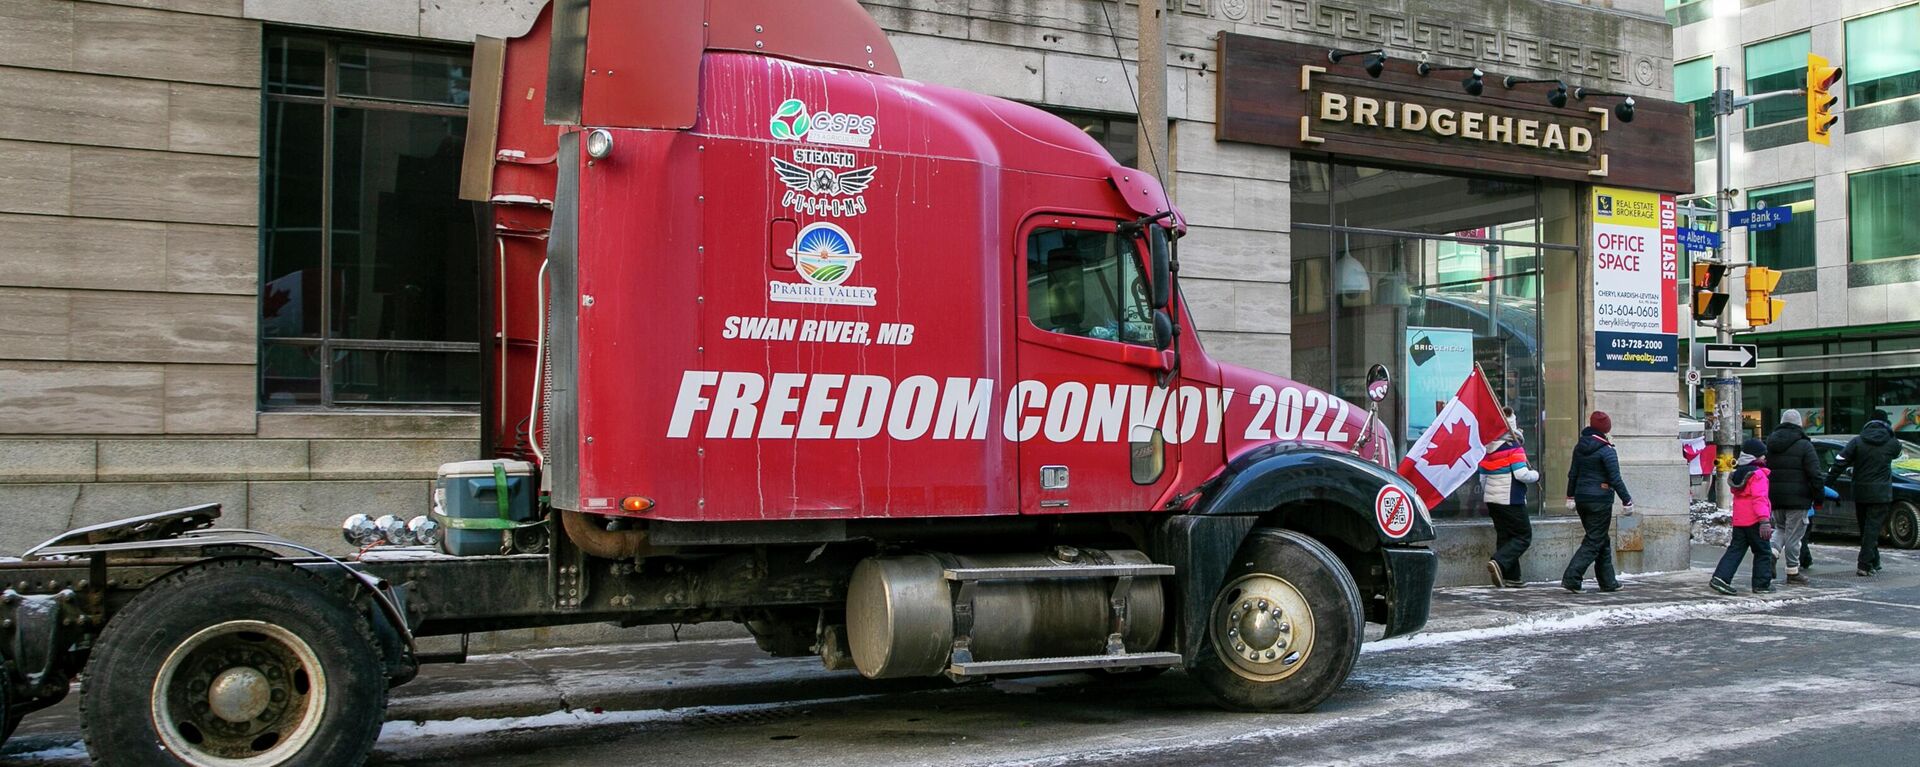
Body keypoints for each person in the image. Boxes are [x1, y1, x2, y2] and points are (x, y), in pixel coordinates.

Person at [1824, 411, 1904, 577]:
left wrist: (1826, 485)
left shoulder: (1857, 442)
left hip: (1860, 492)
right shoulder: (1892, 443)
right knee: (1872, 529)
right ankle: (1865, 564)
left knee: (1866, 528)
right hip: (1881, 493)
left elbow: (1839, 463)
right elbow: (1898, 452)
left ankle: (1874, 561)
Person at [1563, 411, 1631, 593]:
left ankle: (1608, 582)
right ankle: (1572, 577)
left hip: (1582, 499)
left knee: (1601, 539)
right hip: (1599, 500)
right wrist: (1627, 500)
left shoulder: (1580, 447)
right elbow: (1615, 478)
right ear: (1606, 430)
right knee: (1594, 540)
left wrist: (1570, 496)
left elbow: (1573, 474)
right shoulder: (1606, 450)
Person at [1480, 408, 1541, 588]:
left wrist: (1490, 493)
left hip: (1492, 500)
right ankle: (1498, 562)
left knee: (1505, 536)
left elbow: (1482, 477)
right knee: (1523, 536)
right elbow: (1521, 474)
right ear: (1513, 426)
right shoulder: (1514, 448)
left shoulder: (1488, 448)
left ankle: (1512, 576)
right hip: (1510, 498)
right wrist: (1536, 474)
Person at [1710, 439, 1775, 595]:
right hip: (1755, 520)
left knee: (1736, 550)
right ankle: (1761, 584)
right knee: (1763, 552)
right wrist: (1764, 520)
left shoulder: (1738, 475)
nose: (1765, 458)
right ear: (1755, 457)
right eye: (1762, 455)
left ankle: (1721, 577)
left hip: (1740, 521)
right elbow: (1759, 499)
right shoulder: (1758, 475)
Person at [1764, 410, 1821, 585]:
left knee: (1780, 528)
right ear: (1799, 424)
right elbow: (1815, 474)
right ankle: (1792, 571)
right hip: (1799, 498)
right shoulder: (1805, 445)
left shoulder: (1770, 443)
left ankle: (1772, 554)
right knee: (1794, 535)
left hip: (1776, 496)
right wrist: (1818, 497)